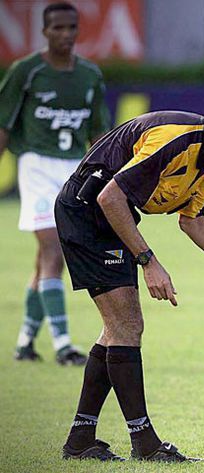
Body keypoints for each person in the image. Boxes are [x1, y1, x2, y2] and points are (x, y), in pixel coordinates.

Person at [55, 97, 204, 462]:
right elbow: (109, 196)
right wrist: (148, 261)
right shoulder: (178, 138)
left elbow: (192, 219)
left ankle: (81, 438)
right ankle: (144, 443)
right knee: (127, 326)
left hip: (108, 219)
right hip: (87, 213)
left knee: (118, 330)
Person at [0, 2, 110, 365]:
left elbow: (98, 133)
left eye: (71, 27)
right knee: (54, 251)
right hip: (35, 164)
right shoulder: (26, 72)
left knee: (44, 260)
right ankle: (63, 345)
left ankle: (25, 342)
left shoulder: (90, 75)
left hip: (73, 169)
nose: (65, 34)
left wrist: (109, 177)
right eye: (57, 28)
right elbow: (4, 125)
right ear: (44, 32)